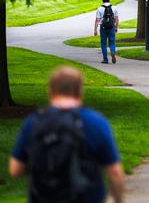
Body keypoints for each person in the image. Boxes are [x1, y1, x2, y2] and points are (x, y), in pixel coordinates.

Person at [9, 66, 125, 203]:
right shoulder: (96, 122)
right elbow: (115, 172)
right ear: (80, 91)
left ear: (50, 91)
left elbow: (15, 169)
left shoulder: (33, 122)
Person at [95, 0, 119, 64]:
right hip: (111, 27)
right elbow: (117, 19)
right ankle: (112, 52)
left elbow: (97, 20)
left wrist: (95, 30)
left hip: (103, 28)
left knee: (103, 43)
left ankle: (105, 59)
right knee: (112, 42)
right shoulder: (114, 8)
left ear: (102, 0)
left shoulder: (99, 9)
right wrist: (116, 27)